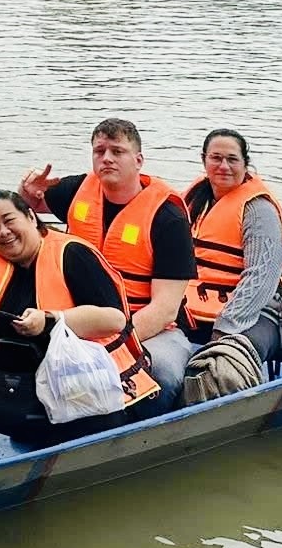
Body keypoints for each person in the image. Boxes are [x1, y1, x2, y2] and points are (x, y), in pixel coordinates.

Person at [0, 190, 160, 454]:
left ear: (31, 218)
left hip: (77, 374)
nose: (3, 232)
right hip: (21, 373)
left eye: (9, 220)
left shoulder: (73, 255)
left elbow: (115, 319)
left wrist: (52, 320)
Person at [20, 117, 196, 400]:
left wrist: (114, 344)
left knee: (161, 373)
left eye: (117, 151)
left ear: (138, 160)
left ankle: (146, 435)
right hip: (78, 317)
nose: (107, 159)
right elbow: (28, 211)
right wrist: (26, 192)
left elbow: (163, 309)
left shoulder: (168, 218)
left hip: (148, 330)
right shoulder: (76, 190)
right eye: (99, 151)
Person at [182, 129, 282, 363]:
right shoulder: (194, 197)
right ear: (204, 160)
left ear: (245, 163)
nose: (224, 166)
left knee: (225, 359)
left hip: (256, 310)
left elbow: (261, 276)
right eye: (216, 158)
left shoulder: (258, 210)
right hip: (193, 305)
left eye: (232, 159)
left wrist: (224, 329)